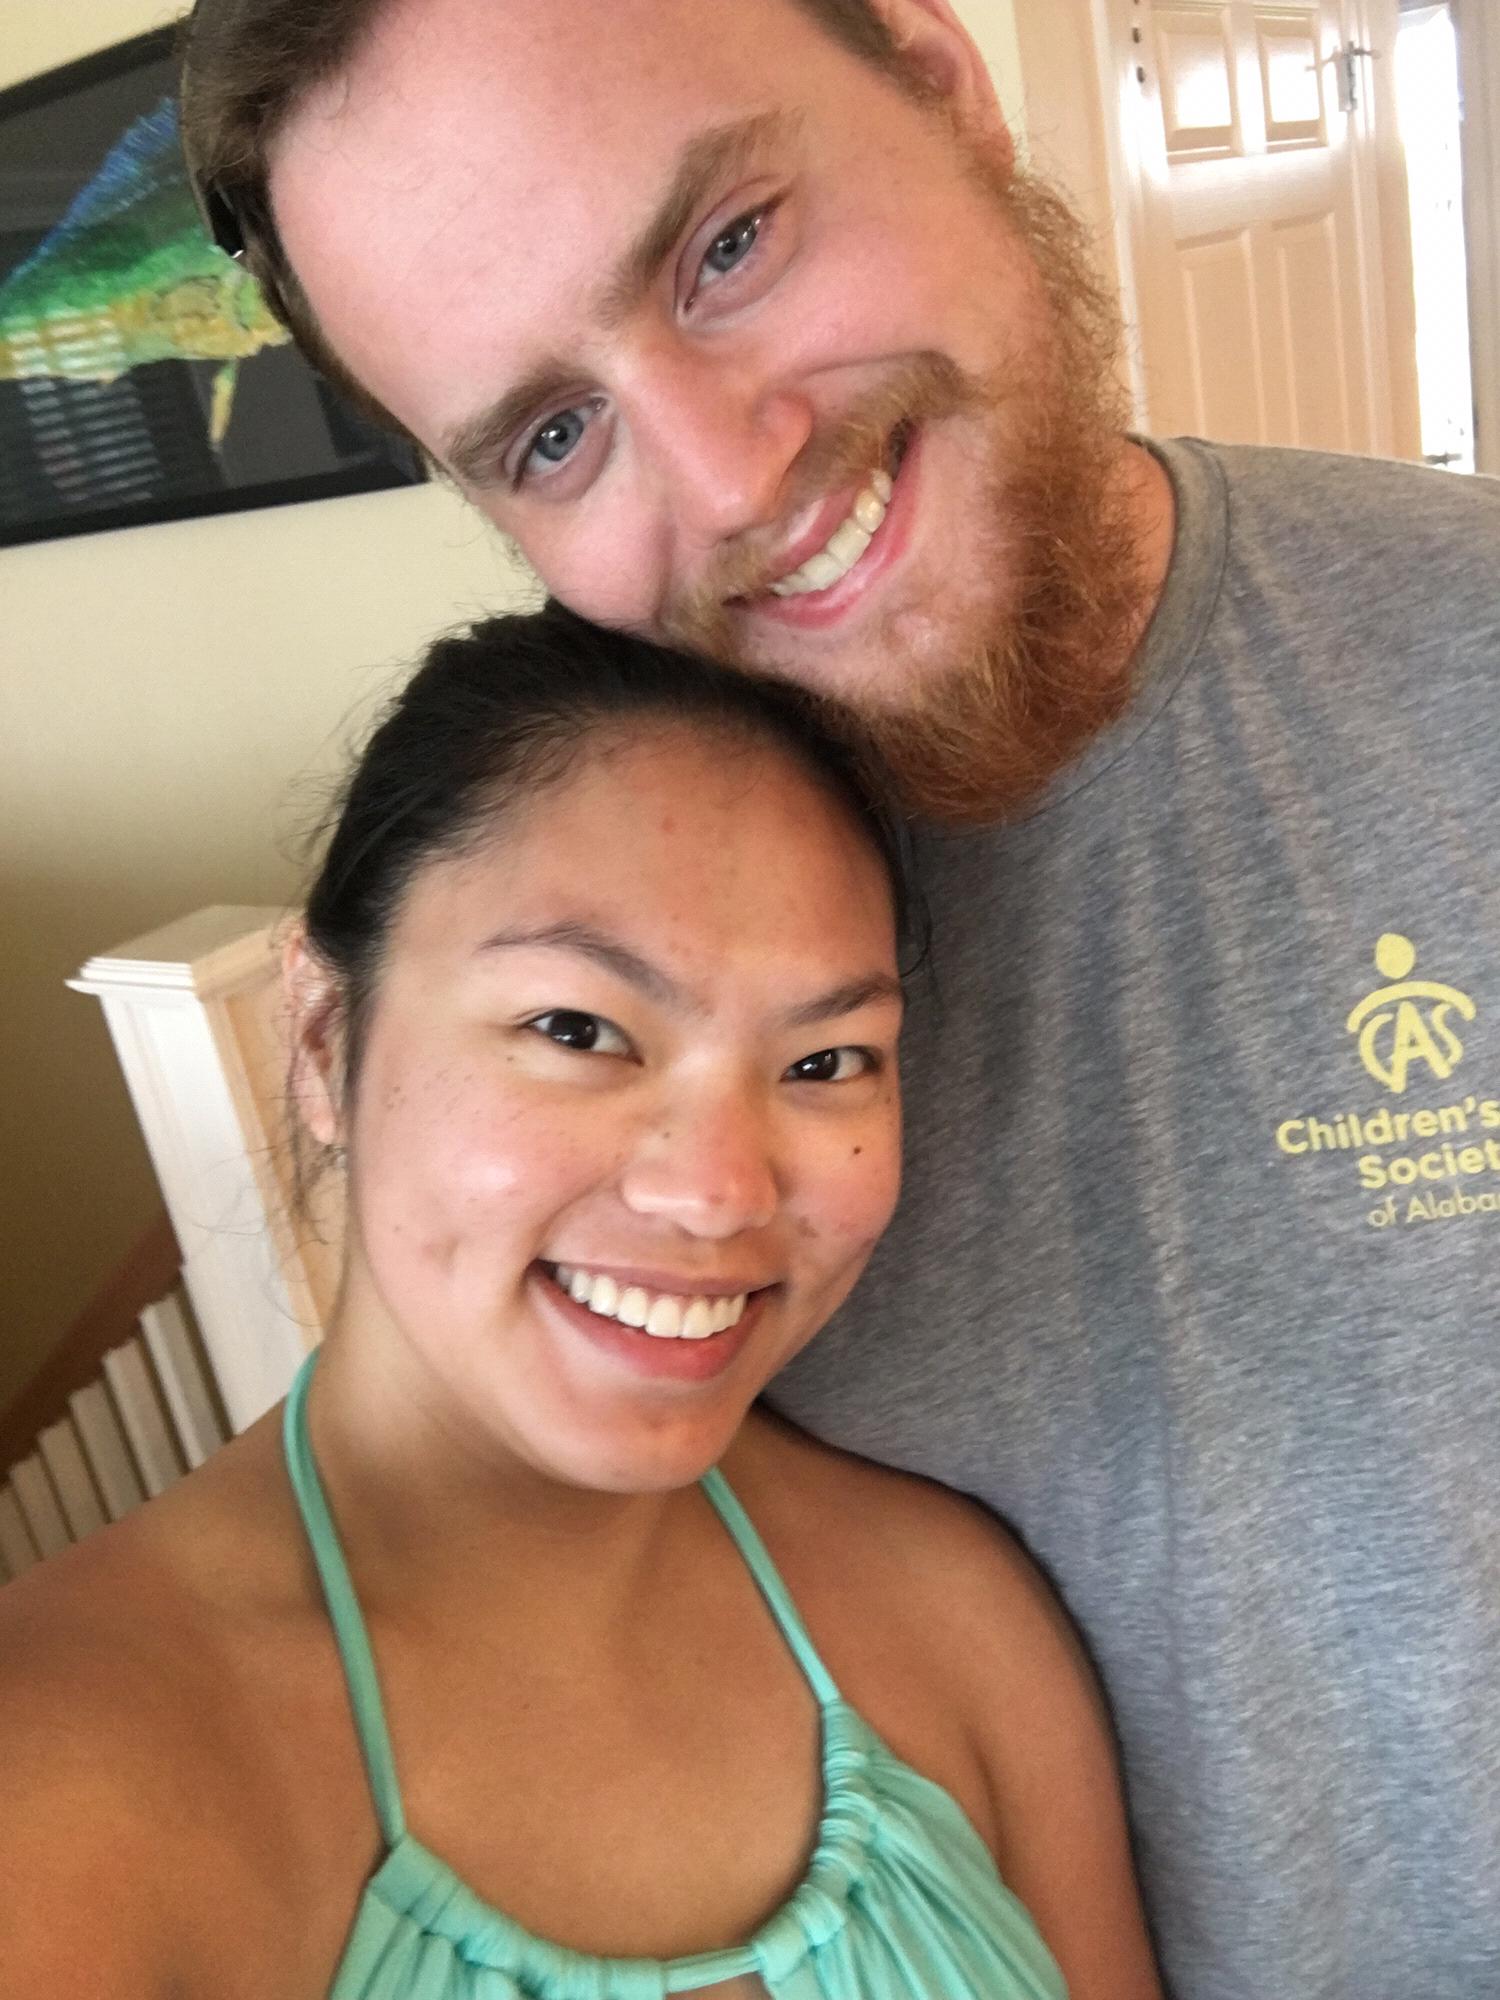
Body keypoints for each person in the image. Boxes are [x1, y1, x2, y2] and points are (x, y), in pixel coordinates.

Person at [177, 2, 1500, 1992]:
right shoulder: (543, 1048)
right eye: (553, 432)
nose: (724, 477)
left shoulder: (1466, 656)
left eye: (726, 244)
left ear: (942, 81)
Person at [0, 606, 1163, 1998]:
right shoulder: (68, 1789)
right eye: (577, 1030)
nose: (723, 1192)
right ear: (323, 1038)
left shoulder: (957, 1614)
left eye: (830, 1059)